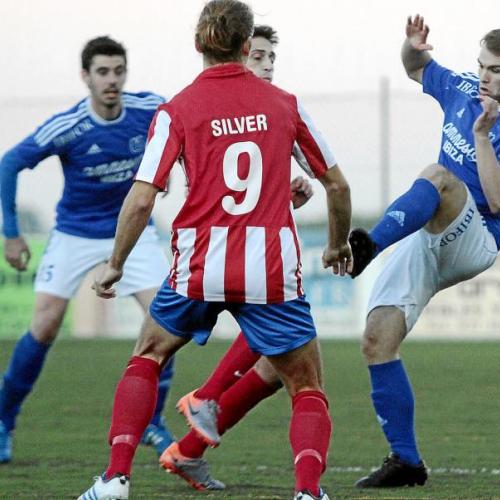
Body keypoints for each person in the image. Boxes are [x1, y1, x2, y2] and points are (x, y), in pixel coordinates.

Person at [77, 2, 352, 499]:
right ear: (246, 46)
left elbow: (142, 197)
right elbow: (337, 185)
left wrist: (116, 263)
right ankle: (308, 493)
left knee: (147, 356)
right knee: (306, 386)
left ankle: (115, 479)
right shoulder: (285, 104)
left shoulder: (177, 110)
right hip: (268, 270)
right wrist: (336, 244)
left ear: (197, 44)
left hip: (199, 267)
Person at [348, 15, 500, 488]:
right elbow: (415, 68)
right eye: (481, 66)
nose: (484, 76)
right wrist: (411, 46)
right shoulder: (462, 88)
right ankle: (406, 461)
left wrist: (481, 135)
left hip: (474, 238)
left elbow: (499, 199)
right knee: (377, 339)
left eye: (496, 69)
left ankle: (370, 246)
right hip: (428, 230)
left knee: (439, 176)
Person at [158, 24, 332, 493]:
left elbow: (249, 190)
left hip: (248, 252)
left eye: (272, 57)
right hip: (236, 258)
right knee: (302, 377)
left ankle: (188, 450)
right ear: (236, 56)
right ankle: (208, 397)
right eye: (258, 56)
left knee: (274, 370)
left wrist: (291, 194)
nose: (267, 65)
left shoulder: (269, 112)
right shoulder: (235, 111)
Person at [0, 36, 177, 463]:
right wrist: (12, 233)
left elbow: (185, 132)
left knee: (167, 323)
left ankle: (152, 420)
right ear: (86, 76)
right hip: (75, 232)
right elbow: (10, 163)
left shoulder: (151, 109)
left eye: (118, 71)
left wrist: (170, 164)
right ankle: (4, 419)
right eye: (102, 72)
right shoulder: (70, 126)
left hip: (131, 232)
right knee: (45, 325)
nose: (111, 80)